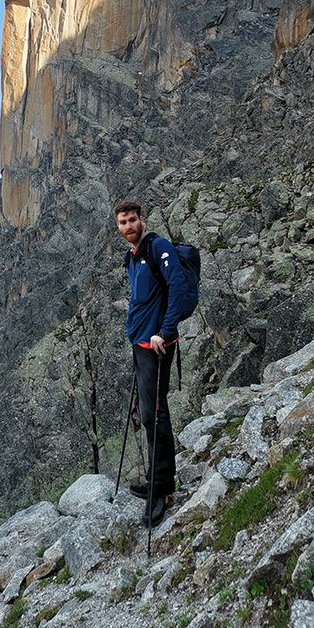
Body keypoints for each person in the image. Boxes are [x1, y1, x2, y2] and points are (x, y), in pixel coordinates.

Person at [114, 199, 187, 525]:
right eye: (122, 223)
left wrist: (165, 331)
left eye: (131, 220)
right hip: (141, 344)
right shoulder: (133, 256)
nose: (128, 227)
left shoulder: (158, 248)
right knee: (149, 413)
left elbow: (178, 287)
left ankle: (162, 492)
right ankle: (156, 481)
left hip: (156, 345)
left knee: (155, 415)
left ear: (142, 220)